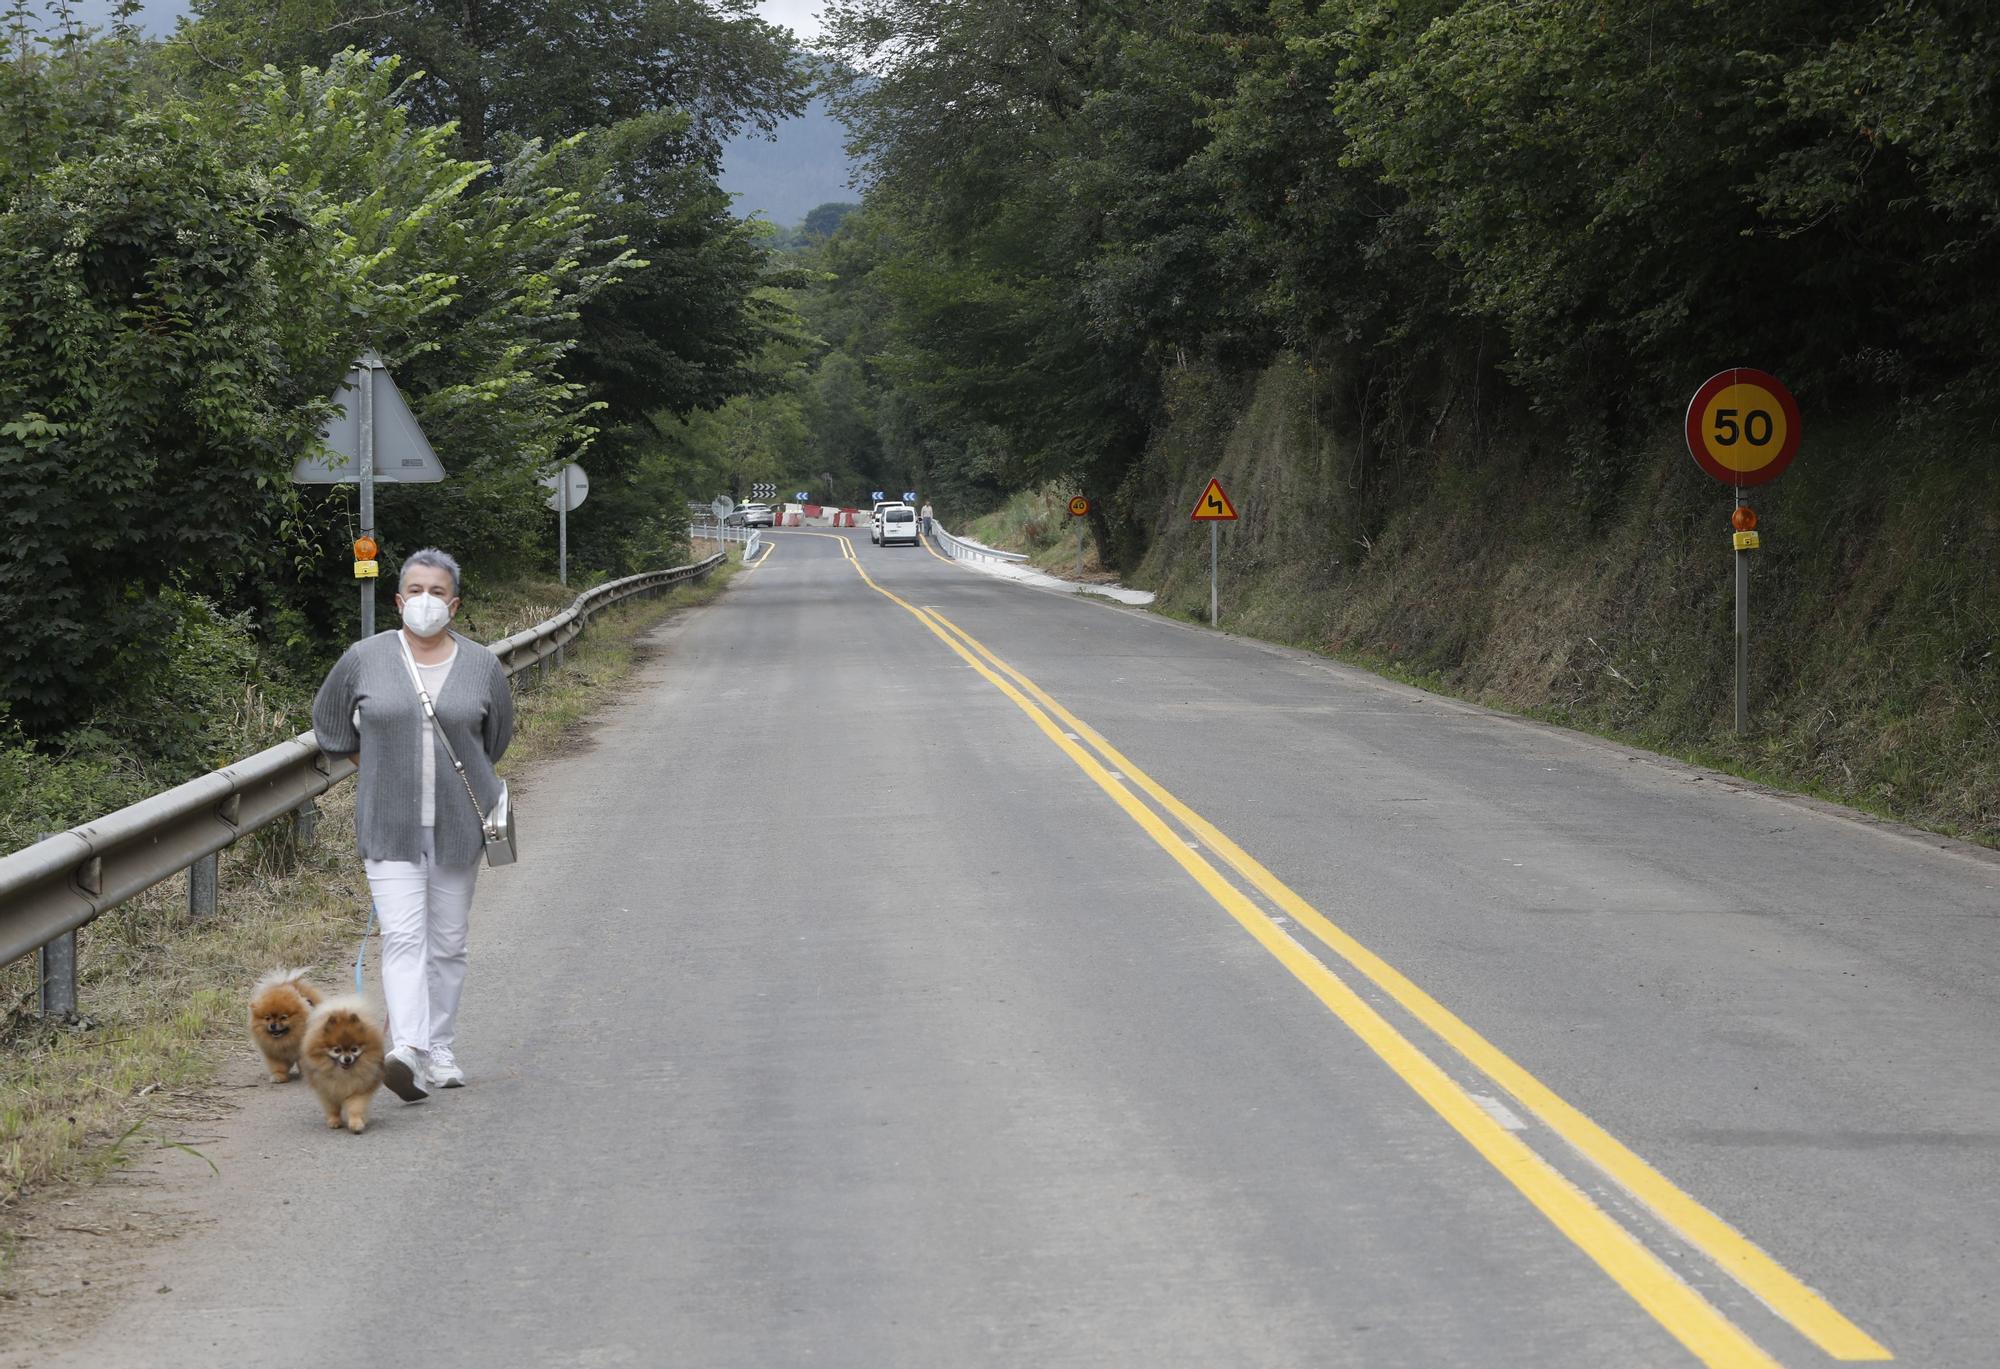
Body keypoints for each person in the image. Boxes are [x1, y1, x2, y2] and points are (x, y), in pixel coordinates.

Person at [311, 548, 514, 1099]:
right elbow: (331, 726)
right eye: (417, 591)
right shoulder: (364, 658)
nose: (427, 601)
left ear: (455, 602)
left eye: (438, 592)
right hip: (390, 823)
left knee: (447, 942)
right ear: (399, 600)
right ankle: (410, 1051)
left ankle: (440, 1045)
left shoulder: (481, 665)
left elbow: (494, 739)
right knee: (403, 936)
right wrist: (379, 770)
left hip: (458, 824)